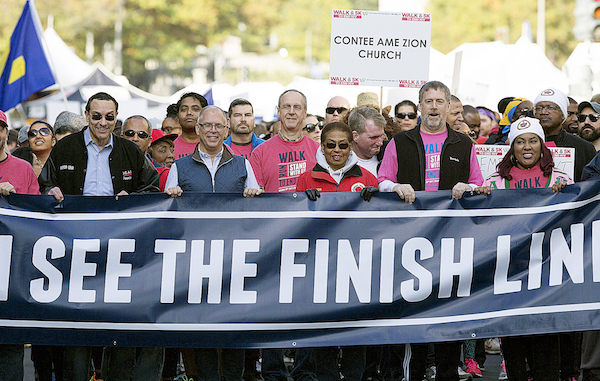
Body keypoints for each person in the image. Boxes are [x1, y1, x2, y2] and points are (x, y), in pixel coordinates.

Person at [39, 92, 159, 381]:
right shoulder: (65, 148)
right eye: (96, 116)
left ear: (116, 117)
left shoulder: (131, 151)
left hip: (119, 249)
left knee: (117, 322)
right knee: (77, 324)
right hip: (74, 248)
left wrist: (131, 197)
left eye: (109, 116)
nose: (103, 122)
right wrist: (48, 191)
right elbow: (45, 183)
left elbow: (153, 189)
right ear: (86, 115)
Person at [378, 80, 483, 381]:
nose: (434, 107)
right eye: (429, 101)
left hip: (451, 243)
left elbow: (479, 183)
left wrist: (469, 186)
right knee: (415, 322)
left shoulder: (464, 144)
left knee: (449, 320)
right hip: (411, 244)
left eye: (440, 101)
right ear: (420, 105)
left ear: (449, 106)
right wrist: (396, 186)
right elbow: (382, 180)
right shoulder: (399, 142)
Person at [476, 118, 572, 381]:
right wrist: (480, 198)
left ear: (542, 145)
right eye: (520, 141)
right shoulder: (495, 182)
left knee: (546, 354)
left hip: (548, 278)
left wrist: (567, 194)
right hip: (511, 277)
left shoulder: (561, 179)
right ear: (511, 147)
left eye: (532, 140)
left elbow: (575, 221)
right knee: (515, 352)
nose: (526, 147)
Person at [0, 110, 39, 381]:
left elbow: (36, 215)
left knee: (11, 350)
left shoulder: (23, 169)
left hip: (13, 273)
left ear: (6, 133)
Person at [249, 89, 319, 193]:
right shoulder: (260, 153)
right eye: (286, 107)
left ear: (305, 113)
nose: (291, 112)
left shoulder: (318, 150)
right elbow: (256, 195)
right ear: (278, 112)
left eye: (297, 107)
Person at [534, 87, 596, 182]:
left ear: (563, 114)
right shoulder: (523, 145)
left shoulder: (583, 147)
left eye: (550, 107)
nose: (543, 112)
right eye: (539, 108)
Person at [348, 107, 386, 177]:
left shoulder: (388, 154)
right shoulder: (342, 163)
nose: (380, 143)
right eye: (373, 137)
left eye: (381, 136)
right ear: (355, 136)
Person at [173, 92, 207, 159]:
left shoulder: (217, 147)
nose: (189, 113)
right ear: (177, 117)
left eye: (195, 109)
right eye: (184, 109)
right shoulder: (170, 149)